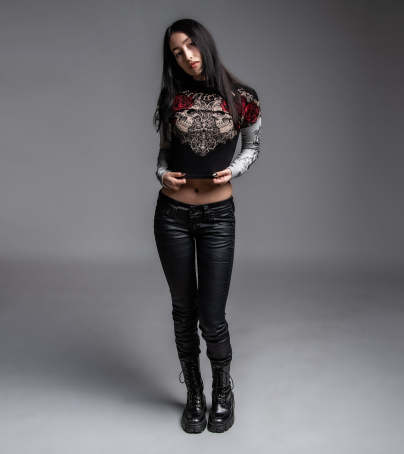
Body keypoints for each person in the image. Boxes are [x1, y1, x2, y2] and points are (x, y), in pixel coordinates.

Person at [152, 18, 262, 434]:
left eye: (191, 46)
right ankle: (195, 394)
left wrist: (234, 170)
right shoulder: (171, 98)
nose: (187, 56)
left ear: (205, 44)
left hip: (217, 218)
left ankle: (223, 390)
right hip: (172, 216)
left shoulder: (243, 98)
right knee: (183, 311)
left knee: (212, 317)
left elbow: (253, 145)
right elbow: (164, 155)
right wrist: (161, 175)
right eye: (177, 52)